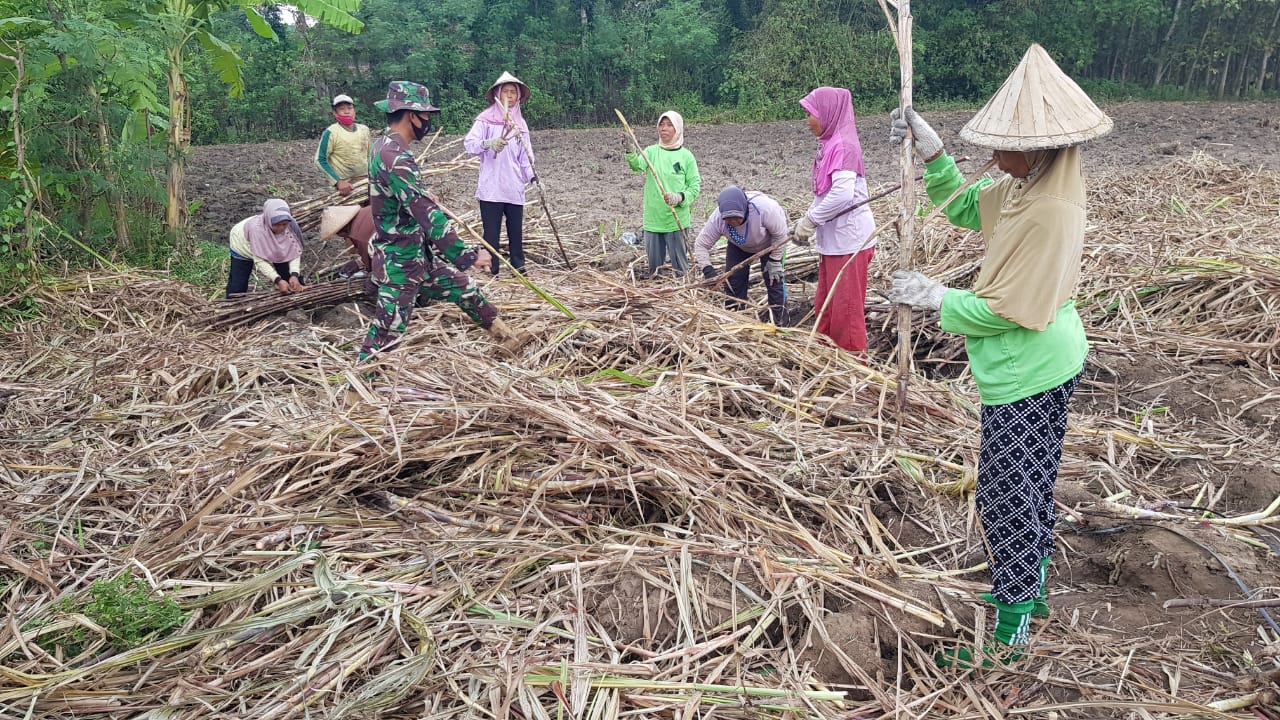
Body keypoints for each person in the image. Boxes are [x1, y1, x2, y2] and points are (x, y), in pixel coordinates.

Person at [886, 43, 1111, 669]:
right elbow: (962, 204)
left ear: (1038, 147)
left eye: (1002, 145)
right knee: (1029, 489)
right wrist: (932, 153)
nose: (992, 156)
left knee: (1007, 497)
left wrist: (938, 298)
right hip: (1043, 361)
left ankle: (1010, 637)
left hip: (1029, 369)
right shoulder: (1023, 187)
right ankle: (1027, 593)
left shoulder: (1049, 213)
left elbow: (1015, 310)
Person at [360, 81, 527, 361]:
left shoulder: (383, 146)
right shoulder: (395, 156)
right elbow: (427, 215)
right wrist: (467, 254)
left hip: (417, 257)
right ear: (411, 114)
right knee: (386, 334)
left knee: (465, 289)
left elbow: (403, 198)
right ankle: (358, 393)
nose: (427, 121)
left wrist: (421, 195)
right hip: (401, 264)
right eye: (425, 115)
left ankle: (506, 337)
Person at [791, 87, 876, 352]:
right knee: (825, 309)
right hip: (833, 244)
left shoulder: (844, 147)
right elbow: (824, 194)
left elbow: (842, 194)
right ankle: (825, 360)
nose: (808, 121)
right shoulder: (828, 146)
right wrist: (805, 221)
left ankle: (853, 372)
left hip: (849, 244)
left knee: (846, 315)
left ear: (828, 113)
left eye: (811, 114)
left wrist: (810, 222)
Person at [464, 71, 536, 275]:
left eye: (514, 92)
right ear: (498, 94)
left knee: (516, 231)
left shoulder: (520, 125)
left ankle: (518, 267)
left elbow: (526, 158)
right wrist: (488, 144)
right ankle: (491, 267)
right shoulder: (485, 120)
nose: (510, 96)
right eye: (506, 92)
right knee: (491, 233)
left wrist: (532, 178)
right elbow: (469, 144)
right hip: (491, 187)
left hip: (513, 187)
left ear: (518, 96)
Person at [694, 186, 789, 325]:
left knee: (774, 280)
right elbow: (701, 245)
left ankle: (779, 322)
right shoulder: (717, 219)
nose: (732, 221)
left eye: (736, 217)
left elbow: (781, 235)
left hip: (770, 244)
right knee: (734, 282)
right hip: (738, 245)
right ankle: (734, 319)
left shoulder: (765, 209)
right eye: (728, 218)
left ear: (745, 209)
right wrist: (708, 271)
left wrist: (775, 260)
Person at [624, 111, 701, 277]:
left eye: (669, 125)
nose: (663, 128)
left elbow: (695, 186)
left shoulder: (686, 156)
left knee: (680, 268)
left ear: (678, 129)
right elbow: (637, 166)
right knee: (655, 271)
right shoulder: (651, 152)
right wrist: (630, 149)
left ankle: (684, 294)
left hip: (676, 220)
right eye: (661, 124)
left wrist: (679, 197)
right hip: (653, 220)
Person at [226, 198, 306, 297]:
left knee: (288, 277)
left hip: (274, 246)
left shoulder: (291, 225)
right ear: (268, 221)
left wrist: (294, 275)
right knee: (238, 284)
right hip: (241, 244)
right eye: (276, 225)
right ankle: (232, 306)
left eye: (284, 224)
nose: (281, 228)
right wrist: (278, 280)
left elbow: (294, 252)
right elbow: (259, 261)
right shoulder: (257, 231)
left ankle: (292, 300)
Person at [315, 94, 372, 196]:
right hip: (345, 186)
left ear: (354, 110)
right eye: (342, 109)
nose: (347, 111)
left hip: (365, 182)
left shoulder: (364, 130)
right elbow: (320, 160)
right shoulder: (331, 132)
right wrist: (338, 182)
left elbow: (370, 156)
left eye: (350, 108)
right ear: (334, 113)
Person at [319, 204, 374, 279]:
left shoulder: (359, 235)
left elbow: (376, 260)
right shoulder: (368, 210)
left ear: (342, 232)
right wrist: (359, 263)